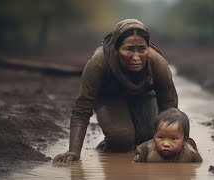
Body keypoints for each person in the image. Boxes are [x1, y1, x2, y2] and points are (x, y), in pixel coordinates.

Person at [53, 19, 178, 164]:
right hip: (109, 98)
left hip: (144, 96)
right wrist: (74, 152)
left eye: (142, 49)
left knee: (149, 138)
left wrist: (174, 145)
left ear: (147, 47)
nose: (136, 57)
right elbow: (82, 109)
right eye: (129, 49)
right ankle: (107, 147)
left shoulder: (157, 62)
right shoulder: (98, 63)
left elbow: (169, 107)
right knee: (121, 140)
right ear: (116, 48)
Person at [133, 107, 203, 162]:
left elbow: (200, 164)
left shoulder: (190, 153)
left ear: (184, 140)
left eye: (173, 138)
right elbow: (137, 156)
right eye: (160, 137)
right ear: (154, 136)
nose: (166, 144)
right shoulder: (148, 148)